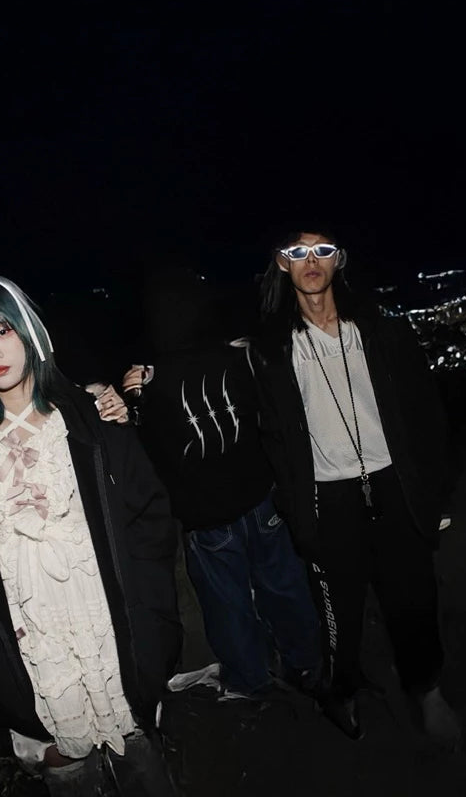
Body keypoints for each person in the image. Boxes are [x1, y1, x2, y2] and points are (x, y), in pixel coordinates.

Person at [0, 274, 181, 796]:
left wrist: (151, 625)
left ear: (29, 331)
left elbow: (149, 521)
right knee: (69, 776)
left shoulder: (91, 420)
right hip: (30, 658)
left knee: (144, 771)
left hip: (115, 642)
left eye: (2, 331)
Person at [252, 229, 461, 746]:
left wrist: (434, 493)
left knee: (414, 599)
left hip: (394, 485)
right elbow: (272, 436)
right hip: (328, 497)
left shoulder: (379, 332)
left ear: (339, 260)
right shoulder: (273, 349)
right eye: (298, 252)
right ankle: (340, 689)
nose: (311, 261)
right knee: (337, 611)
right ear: (282, 263)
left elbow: (426, 414)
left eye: (323, 250)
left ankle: (428, 690)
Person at [121, 268, 321, 698]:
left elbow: (152, 451)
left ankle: (250, 679)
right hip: (261, 500)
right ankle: (305, 663)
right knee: (284, 586)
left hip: (208, 519)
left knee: (227, 605)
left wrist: (137, 399)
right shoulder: (238, 356)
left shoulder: (151, 381)